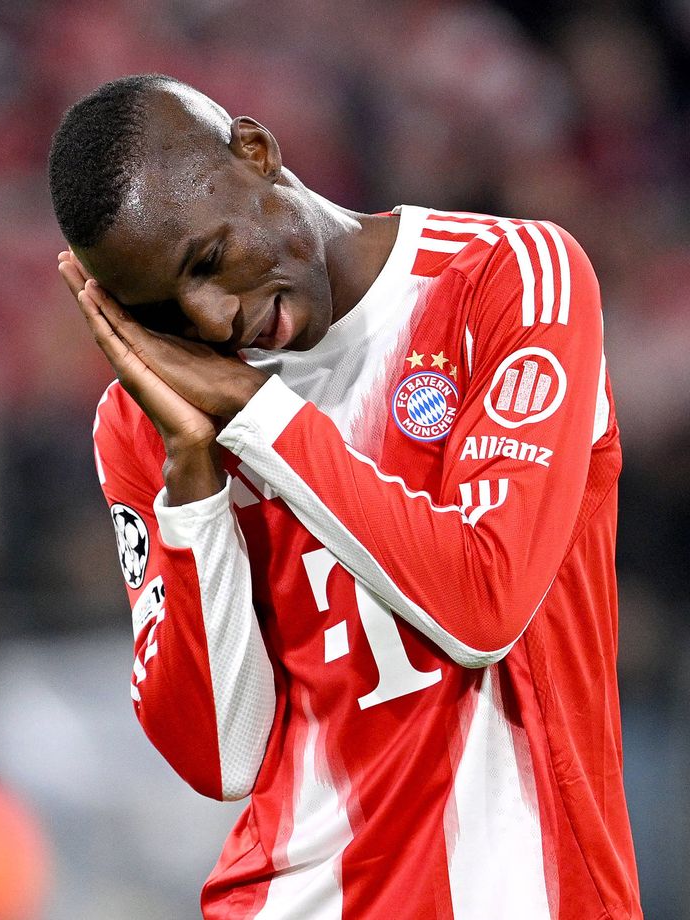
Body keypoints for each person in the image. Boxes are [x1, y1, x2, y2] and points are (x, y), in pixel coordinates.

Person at [48, 74, 642, 919]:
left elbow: (484, 603)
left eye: (208, 261)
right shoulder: (148, 417)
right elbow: (224, 761)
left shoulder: (506, 277)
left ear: (256, 152)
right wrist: (193, 475)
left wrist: (258, 414)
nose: (212, 321)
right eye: (165, 312)